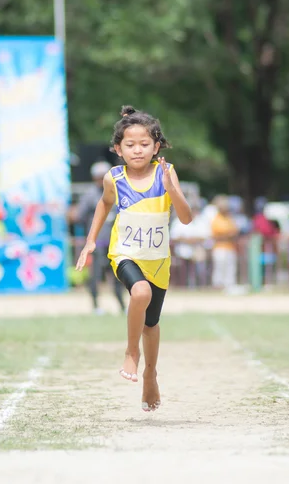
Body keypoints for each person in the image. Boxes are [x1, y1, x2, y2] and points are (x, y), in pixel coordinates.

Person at [76, 105, 192, 412]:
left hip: (157, 260)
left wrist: (172, 190)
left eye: (144, 144)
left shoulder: (166, 174)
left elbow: (186, 217)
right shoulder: (113, 178)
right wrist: (90, 241)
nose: (137, 150)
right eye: (130, 144)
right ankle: (131, 352)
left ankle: (150, 376)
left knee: (151, 324)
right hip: (124, 253)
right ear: (118, 148)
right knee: (139, 291)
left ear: (156, 146)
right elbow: (103, 205)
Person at [68, 160, 126, 315]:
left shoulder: (119, 193)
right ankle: (95, 306)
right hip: (97, 243)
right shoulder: (89, 196)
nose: (101, 180)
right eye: (99, 177)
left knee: (119, 275)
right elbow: (79, 216)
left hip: (116, 242)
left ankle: (122, 306)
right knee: (95, 276)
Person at [211, 195, 239, 292]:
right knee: (220, 268)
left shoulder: (230, 218)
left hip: (230, 247)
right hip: (220, 248)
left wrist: (228, 235)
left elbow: (235, 231)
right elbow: (216, 236)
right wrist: (228, 235)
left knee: (230, 268)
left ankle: (229, 286)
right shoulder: (216, 219)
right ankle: (218, 286)